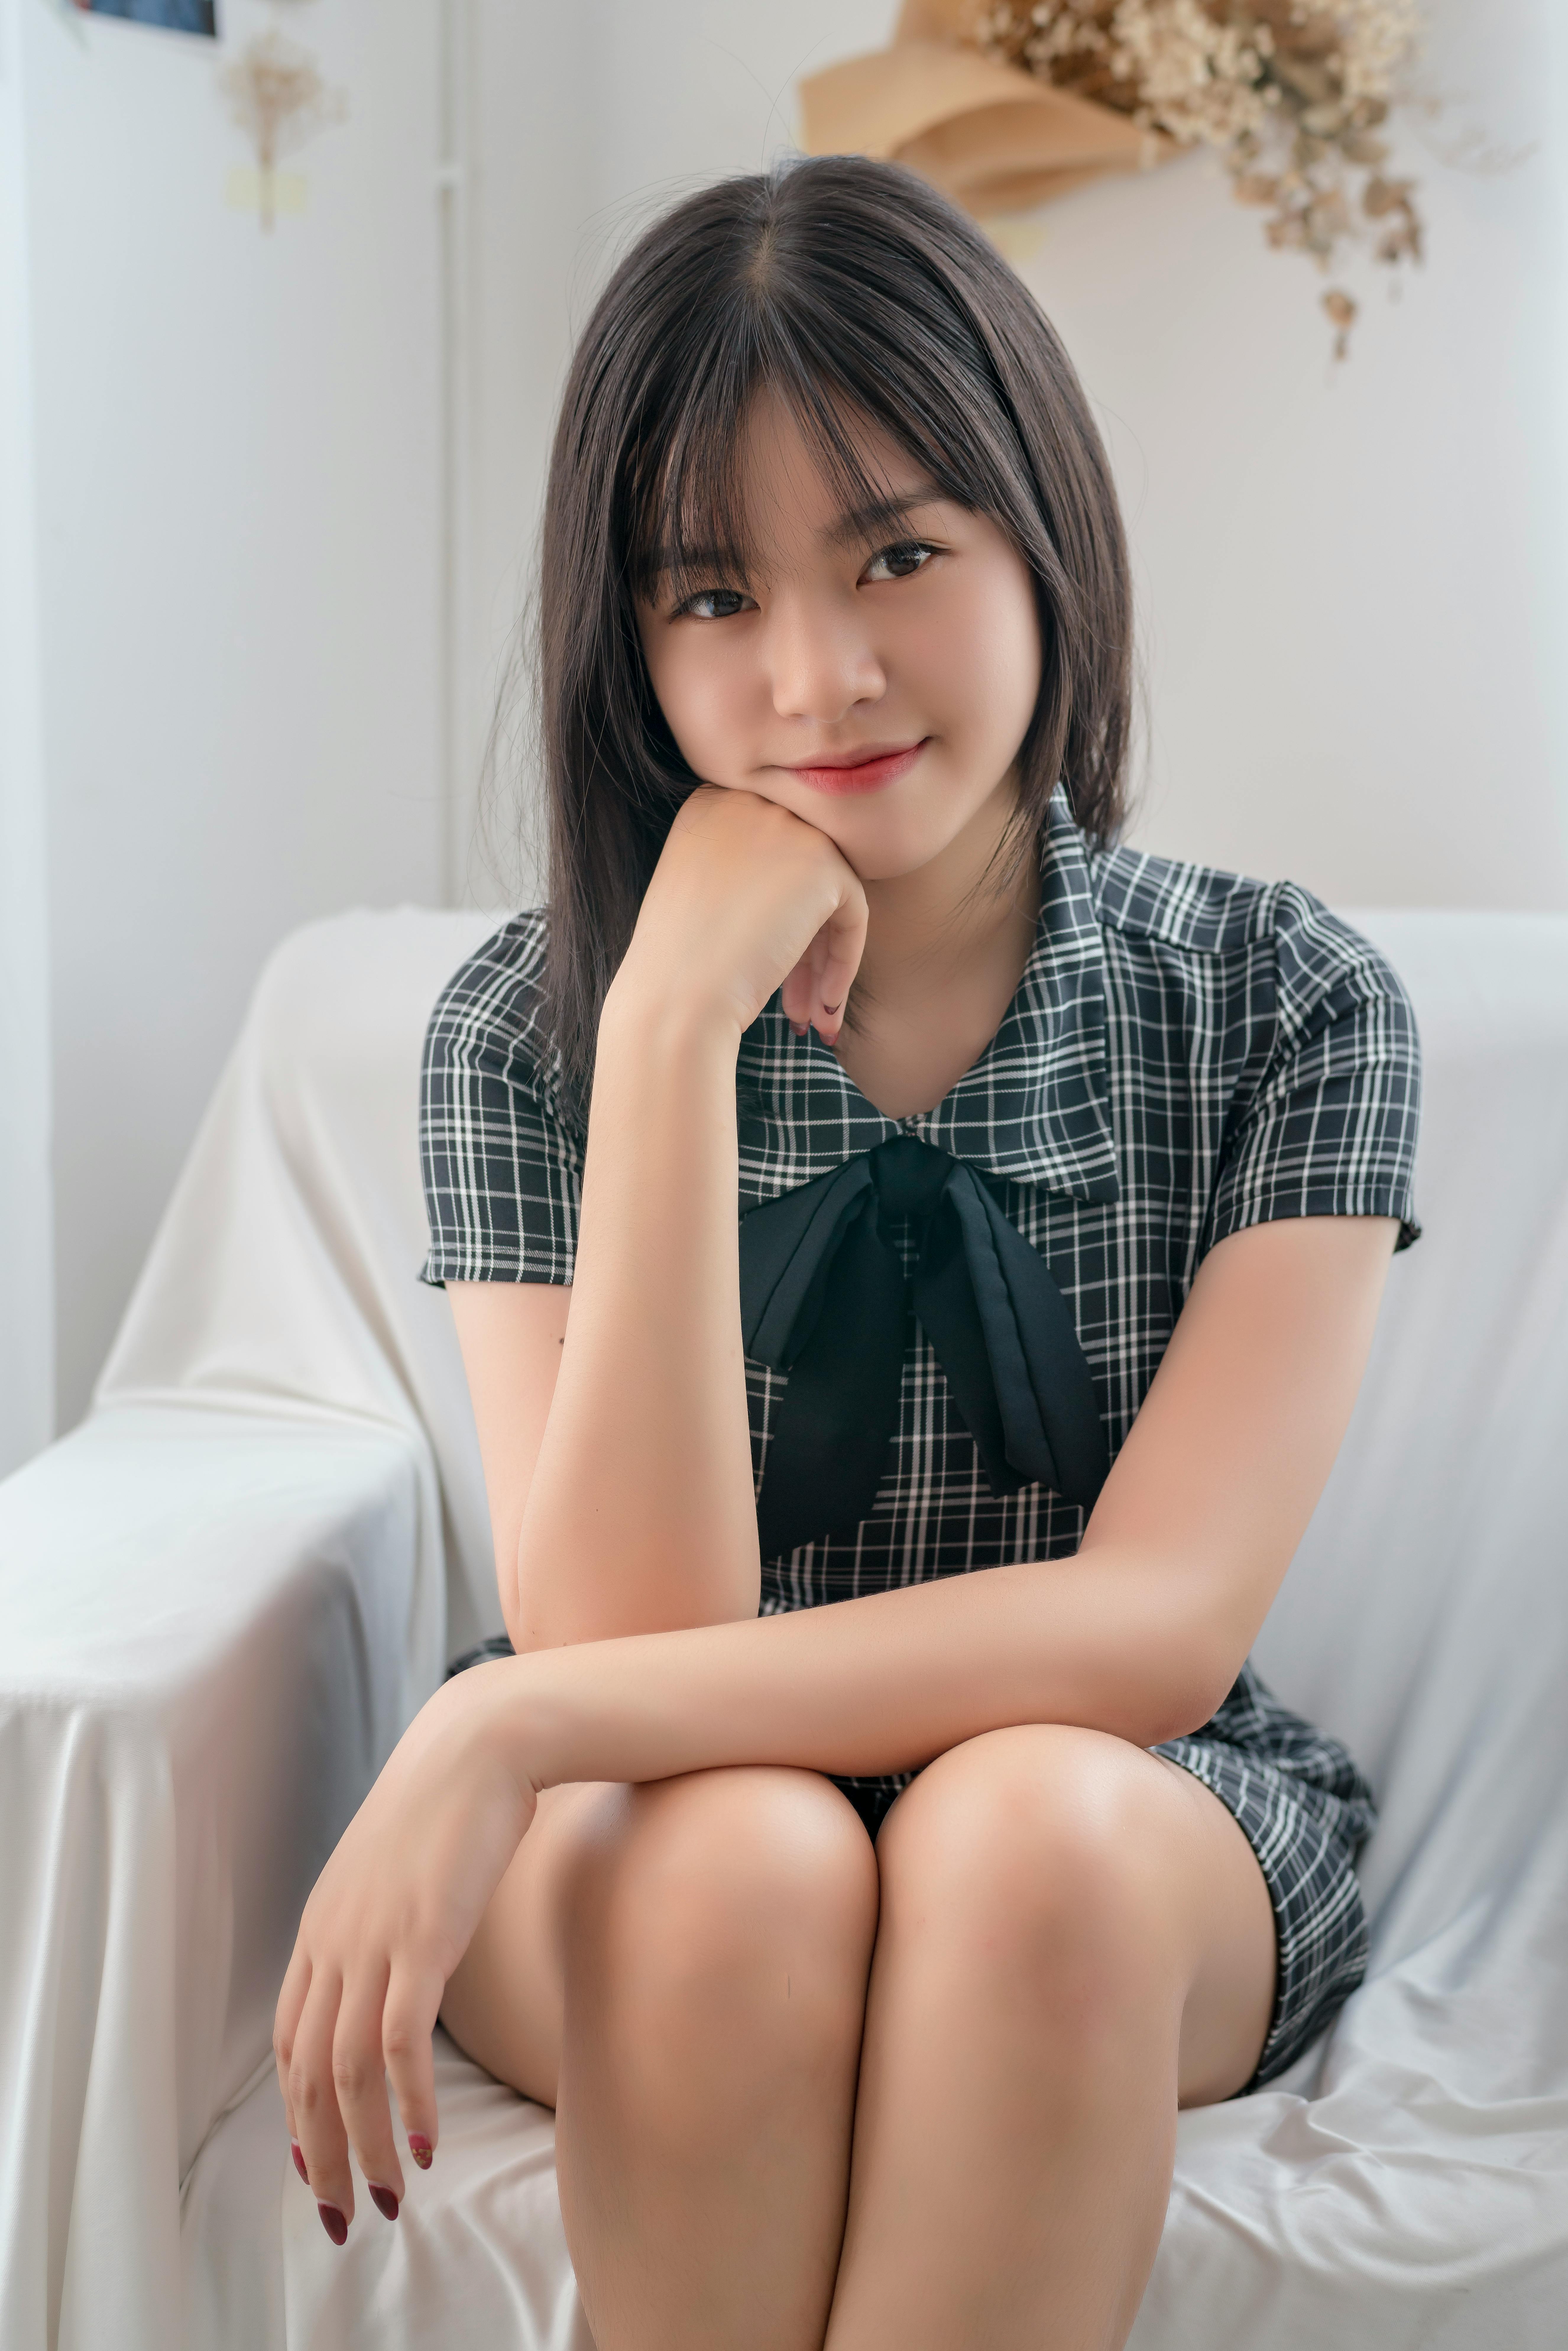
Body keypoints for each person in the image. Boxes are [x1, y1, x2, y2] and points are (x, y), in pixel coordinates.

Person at [273, 156, 1421, 2350]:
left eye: (898, 552)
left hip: (1132, 1822)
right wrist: (673, 1025)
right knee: (734, 1859)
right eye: (711, 597)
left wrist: (494, 1735)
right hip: (650, 1829)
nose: (817, 673)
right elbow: (630, 1644)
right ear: (624, 639)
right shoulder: (536, 1035)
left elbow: (1153, 1636)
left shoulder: (1284, 1001)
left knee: (1027, 1846)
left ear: (1041, 546)